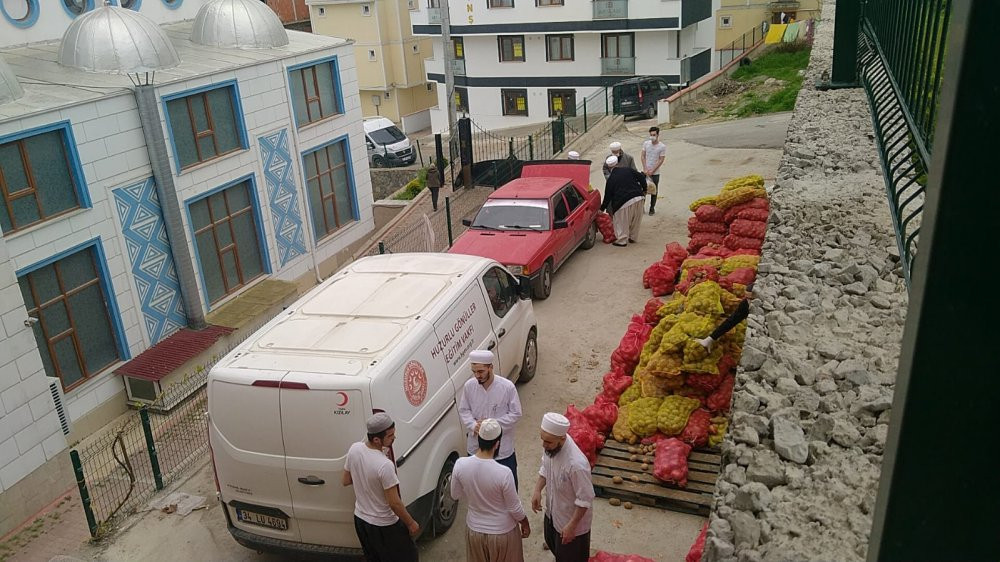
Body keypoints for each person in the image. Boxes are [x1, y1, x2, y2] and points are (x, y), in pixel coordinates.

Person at [343, 413, 419, 562]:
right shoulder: (384, 465)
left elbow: (345, 480)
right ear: (377, 439)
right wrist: (411, 523)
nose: (394, 438)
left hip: (361, 520)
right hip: (385, 526)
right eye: (390, 436)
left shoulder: (354, 449)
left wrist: (365, 479)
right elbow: (394, 503)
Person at [451, 419, 531, 562]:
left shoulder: (460, 465)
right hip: (503, 533)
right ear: (497, 444)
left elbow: (455, 494)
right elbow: (514, 508)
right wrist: (525, 522)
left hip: (474, 531)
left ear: (478, 439)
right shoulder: (504, 473)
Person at [531, 413, 595, 562]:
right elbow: (545, 467)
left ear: (562, 439)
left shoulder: (576, 465)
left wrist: (572, 527)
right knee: (556, 548)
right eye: (542, 439)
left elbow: (585, 499)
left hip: (571, 524)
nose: (543, 445)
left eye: (548, 442)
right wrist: (537, 490)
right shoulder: (551, 447)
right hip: (553, 514)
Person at [459, 349, 523, 489]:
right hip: (476, 448)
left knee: (508, 486)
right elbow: (464, 410)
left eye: (481, 371)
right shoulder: (469, 386)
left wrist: (491, 425)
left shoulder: (507, 387)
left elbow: (516, 413)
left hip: (502, 450)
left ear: (490, 367)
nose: (477, 376)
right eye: (474, 371)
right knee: (479, 487)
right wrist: (474, 425)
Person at [601, 155, 646, 247]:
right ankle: (633, 238)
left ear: (609, 167)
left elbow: (608, 196)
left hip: (623, 202)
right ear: (617, 163)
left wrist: (601, 208)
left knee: (621, 221)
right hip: (639, 197)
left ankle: (622, 240)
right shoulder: (628, 170)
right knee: (635, 219)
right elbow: (641, 177)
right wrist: (644, 189)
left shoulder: (611, 179)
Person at [640, 126, 667, 215]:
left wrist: (652, 170)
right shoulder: (646, 144)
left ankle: (652, 208)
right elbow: (643, 156)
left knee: (654, 191)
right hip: (645, 171)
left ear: (658, 135)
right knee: (642, 190)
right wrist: (645, 168)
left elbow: (661, 159)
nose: (652, 136)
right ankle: (641, 208)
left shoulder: (662, 146)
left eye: (654, 135)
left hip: (655, 173)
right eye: (651, 135)